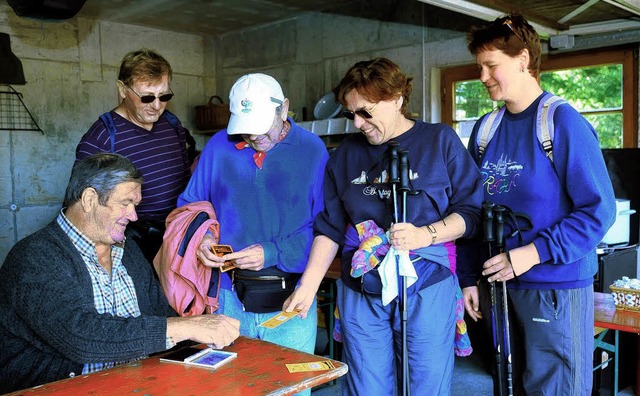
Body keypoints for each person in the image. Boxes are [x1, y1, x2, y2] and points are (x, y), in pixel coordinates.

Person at [283, 57, 484, 395]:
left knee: (426, 381)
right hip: (362, 282)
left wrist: (426, 234)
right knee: (366, 384)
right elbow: (331, 226)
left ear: (397, 99)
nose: (358, 123)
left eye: (366, 112)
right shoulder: (346, 154)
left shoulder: (440, 141)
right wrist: (308, 285)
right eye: (351, 114)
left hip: (426, 280)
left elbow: (471, 212)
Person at [461, 13, 617, 395]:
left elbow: (600, 210)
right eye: (479, 66)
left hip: (553, 288)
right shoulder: (485, 129)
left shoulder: (562, 123)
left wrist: (531, 253)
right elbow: (469, 210)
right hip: (496, 286)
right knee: (507, 386)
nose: (482, 76)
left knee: (555, 387)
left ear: (523, 59)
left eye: (491, 65)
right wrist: (467, 277)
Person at [0, 153, 240, 394]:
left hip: (136, 384)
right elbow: (80, 335)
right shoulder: (34, 257)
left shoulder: (128, 250)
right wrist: (185, 327)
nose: (134, 216)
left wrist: (202, 342)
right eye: (125, 203)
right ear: (89, 199)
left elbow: (159, 313)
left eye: (135, 206)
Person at [176, 74, 328, 359]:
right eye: (245, 129)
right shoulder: (219, 146)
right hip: (227, 298)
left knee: (290, 388)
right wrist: (203, 237)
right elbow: (190, 204)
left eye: (260, 126)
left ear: (283, 109)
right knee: (231, 387)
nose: (254, 136)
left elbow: (326, 228)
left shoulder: (312, 150)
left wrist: (270, 252)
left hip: (291, 297)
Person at [76, 48, 193, 263]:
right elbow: (83, 206)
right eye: (147, 97)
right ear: (122, 89)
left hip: (176, 236)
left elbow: (185, 180)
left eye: (164, 96)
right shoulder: (101, 138)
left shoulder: (172, 124)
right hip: (129, 244)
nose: (157, 106)